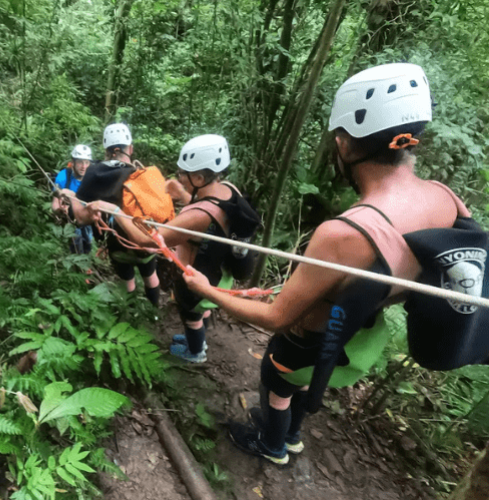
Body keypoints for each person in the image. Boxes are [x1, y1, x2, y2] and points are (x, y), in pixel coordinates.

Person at [183, 63, 467, 464]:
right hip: (362, 340)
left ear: (346, 145)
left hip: (311, 344)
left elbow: (275, 319)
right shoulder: (444, 198)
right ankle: (294, 435)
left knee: (277, 380)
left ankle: (273, 444)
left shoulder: (345, 233)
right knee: (298, 386)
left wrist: (206, 290)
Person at [88, 134, 248, 363]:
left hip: (200, 278)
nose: (179, 177)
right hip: (220, 271)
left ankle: (195, 351)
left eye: (184, 174)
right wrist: (183, 194)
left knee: (191, 314)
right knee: (197, 313)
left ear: (200, 177)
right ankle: (195, 339)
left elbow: (147, 240)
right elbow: (209, 207)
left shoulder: (198, 216)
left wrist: (114, 211)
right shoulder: (228, 189)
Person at [69, 124, 161, 307]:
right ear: (130, 148)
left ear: (106, 149)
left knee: (127, 281)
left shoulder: (94, 172)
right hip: (144, 240)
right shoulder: (139, 173)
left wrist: (70, 196)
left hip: (117, 243)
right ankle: (154, 313)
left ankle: (132, 314)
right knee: (150, 276)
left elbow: (80, 218)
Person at [52, 145, 93, 254]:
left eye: (86, 163)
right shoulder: (64, 176)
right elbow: (56, 201)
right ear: (73, 163)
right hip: (70, 216)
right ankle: (79, 265)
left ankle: (87, 261)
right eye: (80, 162)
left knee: (88, 241)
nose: (83, 167)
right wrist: (59, 210)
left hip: (87, 215)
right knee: (76, 239)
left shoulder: (92, 178)